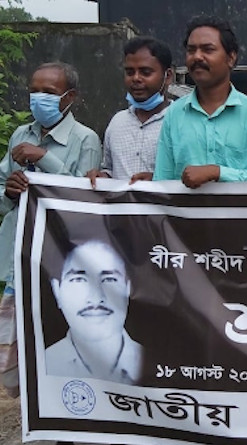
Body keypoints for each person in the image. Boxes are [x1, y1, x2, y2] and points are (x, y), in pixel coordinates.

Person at [0, 62, 101, 396]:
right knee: (15, 357)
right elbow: (3, 190)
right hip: (19, 261)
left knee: (57, 348)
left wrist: (45, 158)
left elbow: (84, 201)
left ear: (69, 97)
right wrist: (9, 191)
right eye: (34, 90)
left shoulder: (85, 139)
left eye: (49, 92)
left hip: (60, 264)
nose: (38, 98)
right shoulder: (20, 135)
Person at [153, 16, 247, 187]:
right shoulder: (174, 114)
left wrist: (218, 172)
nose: (197, 57)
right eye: (191, 50)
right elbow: (161, 184)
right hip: (185, 215)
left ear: (231, 58)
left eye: (208, 50)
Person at [46, 240, 143, 384]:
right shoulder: (42, 364)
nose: (96, 299)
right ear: (57, 290)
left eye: (109, 279)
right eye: (78, 279)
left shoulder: (155, 363)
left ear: (128, 288)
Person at [87, 37, 173, 187]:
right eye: (129, 72)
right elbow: (110, 169)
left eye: (146, 72)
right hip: (121, 210)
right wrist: (102, 176)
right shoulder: (117, 122)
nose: (136, 78)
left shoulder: (182, 121)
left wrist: (158, 180)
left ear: (168, 77)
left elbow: (192, 177)